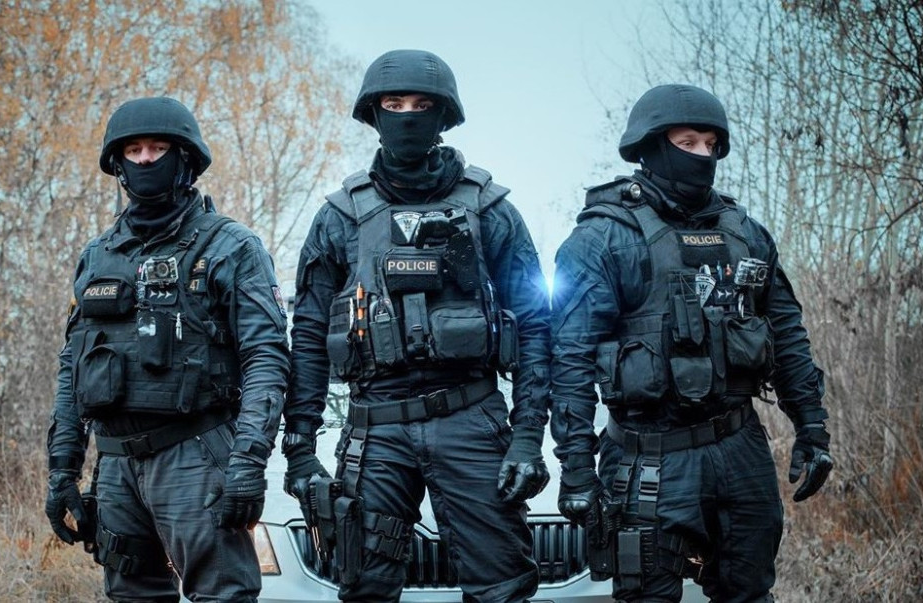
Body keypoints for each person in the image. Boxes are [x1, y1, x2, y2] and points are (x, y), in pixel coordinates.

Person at [282, 49, 552, 602]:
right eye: (394, 103)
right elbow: (307, 337)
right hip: (374, 429)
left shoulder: (491, 209)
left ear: (444, 114)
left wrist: (528, 437)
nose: (407, 115)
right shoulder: (338, 217)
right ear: (373, 114)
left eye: (422, 106)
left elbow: (536, 327)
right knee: (365, 586)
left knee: (502, 587)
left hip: (471, 419)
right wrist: (300, 447)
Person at [550, 84, 833, 602]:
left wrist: (812, 428)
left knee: (751, 593)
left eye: (711, 144)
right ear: (651, 147)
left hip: (739, 447)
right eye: (688, 143)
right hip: (647, 458)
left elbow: (788, 334)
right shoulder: (604, 237)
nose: (703, 155)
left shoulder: (745, 234)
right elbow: (569, 357)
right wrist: (575, 468)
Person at [44, 96, 290, 602]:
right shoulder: (97, 255)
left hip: (195, 454)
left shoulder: (230, 246)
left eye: (158, 148)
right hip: (116, 465)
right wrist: (63, 468)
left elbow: (266, 358)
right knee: (131, 596)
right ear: (118, 163)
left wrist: (248, 462)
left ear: (185, 160)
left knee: (222, 594)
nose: (145, 159)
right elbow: (72, 366)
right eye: (133, 150)